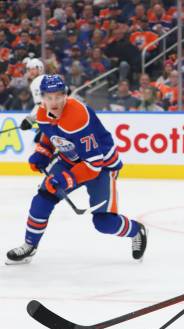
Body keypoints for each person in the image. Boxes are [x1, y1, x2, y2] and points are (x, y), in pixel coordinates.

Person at [6, 75, 147, 265]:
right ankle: (30, 245)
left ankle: (136, 230)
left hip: (102, 166)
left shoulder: (77, 118)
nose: (54, 102)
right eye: (49, 97)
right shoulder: (41, 113)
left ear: (66, 95)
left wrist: (65, 180)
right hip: (70, 161)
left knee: (104, 223)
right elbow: (50, 136)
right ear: (43, 97)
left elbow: (93, 164)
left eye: (58, 96)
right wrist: (43, 153)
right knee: (42, 199)